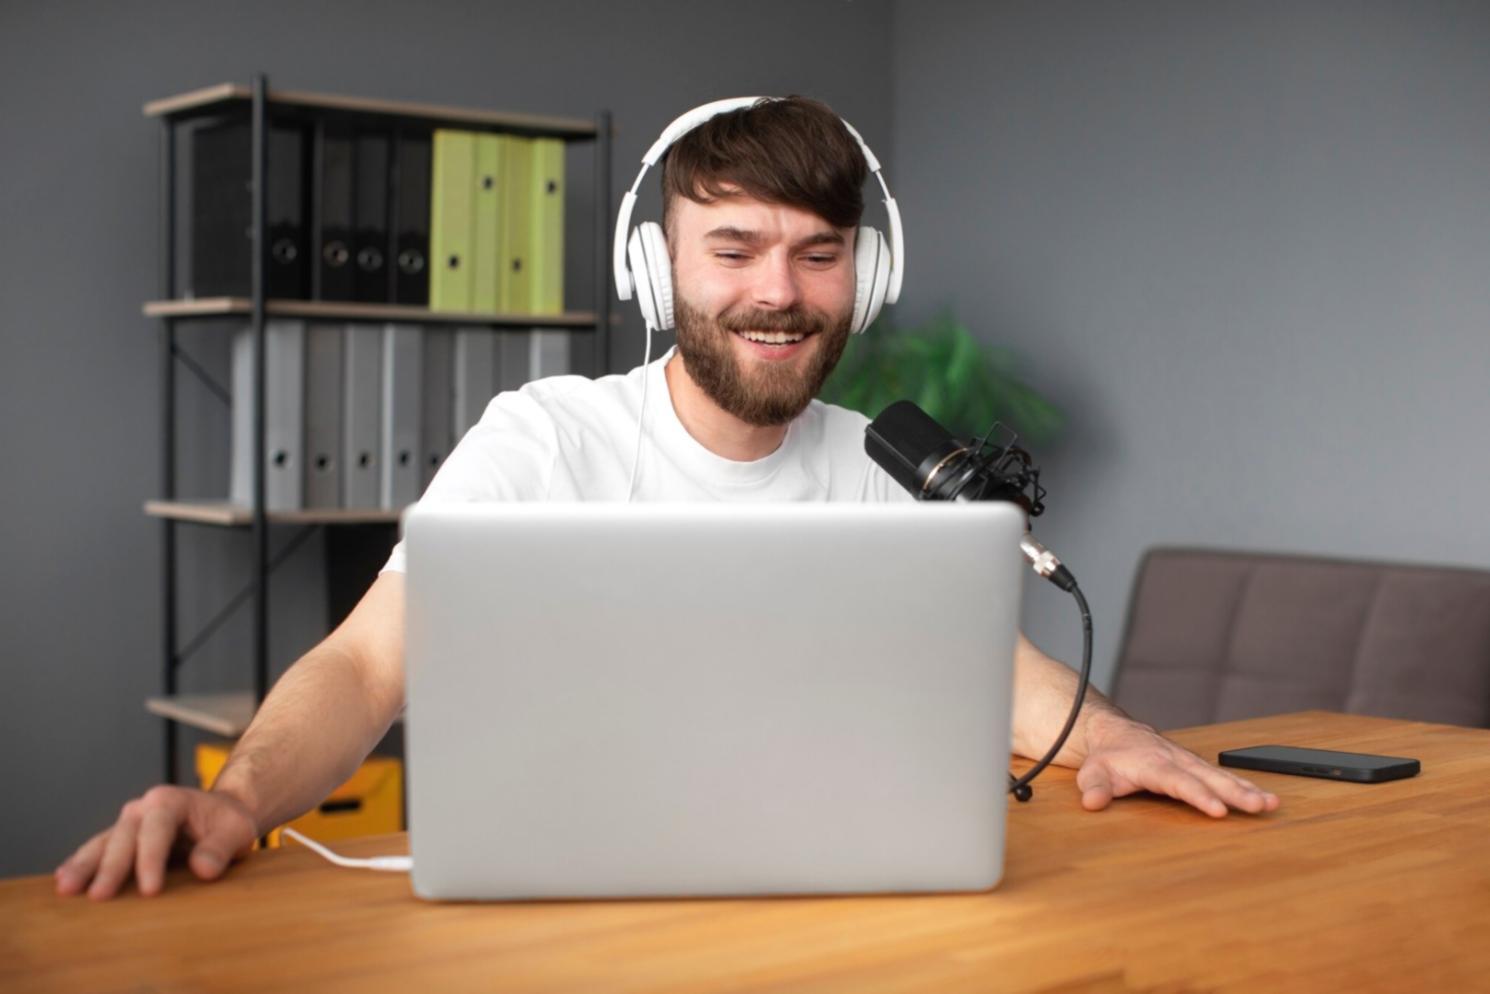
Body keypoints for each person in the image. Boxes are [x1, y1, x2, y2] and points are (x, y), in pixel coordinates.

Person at [57, 96, 1278, 901]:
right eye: (733, 249)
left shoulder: (882, 458)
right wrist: (233, 803)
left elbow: (999, 675)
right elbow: (370, 668)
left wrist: (1114, 736)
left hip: (836, 919)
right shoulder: (544, 437)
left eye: (816, 252)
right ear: (657, 269)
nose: (778, 292)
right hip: (559, 921)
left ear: (867, 272)